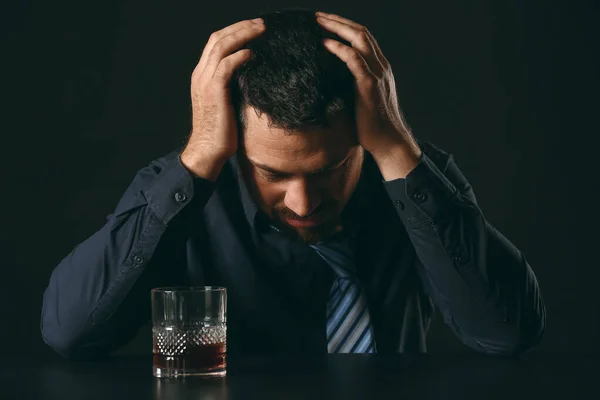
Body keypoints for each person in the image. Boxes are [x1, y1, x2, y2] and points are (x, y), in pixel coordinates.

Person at [40, 8, 545, 360]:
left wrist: (395, 150)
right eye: (273, 173)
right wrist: (196, 158)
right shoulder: (183, 187)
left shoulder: (413, 179)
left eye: (328, 169)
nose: (303, 202)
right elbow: (70, 334)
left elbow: (506, 334)